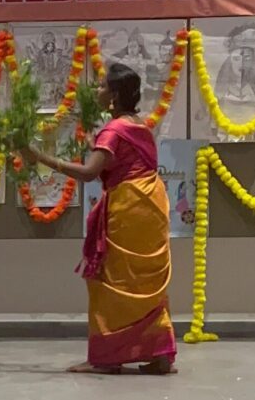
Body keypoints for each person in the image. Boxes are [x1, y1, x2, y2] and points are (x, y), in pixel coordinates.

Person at [22, 63, 176, 375]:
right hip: (152, 204)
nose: (97, 91)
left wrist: (41, 157)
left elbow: (89, 173)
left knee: (110, 281)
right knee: (145, 280)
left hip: (129, 206)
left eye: (102, 86)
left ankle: (108, 357)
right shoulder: (141, 126)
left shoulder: (115, 130)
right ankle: (158, 352)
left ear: (115, 95)